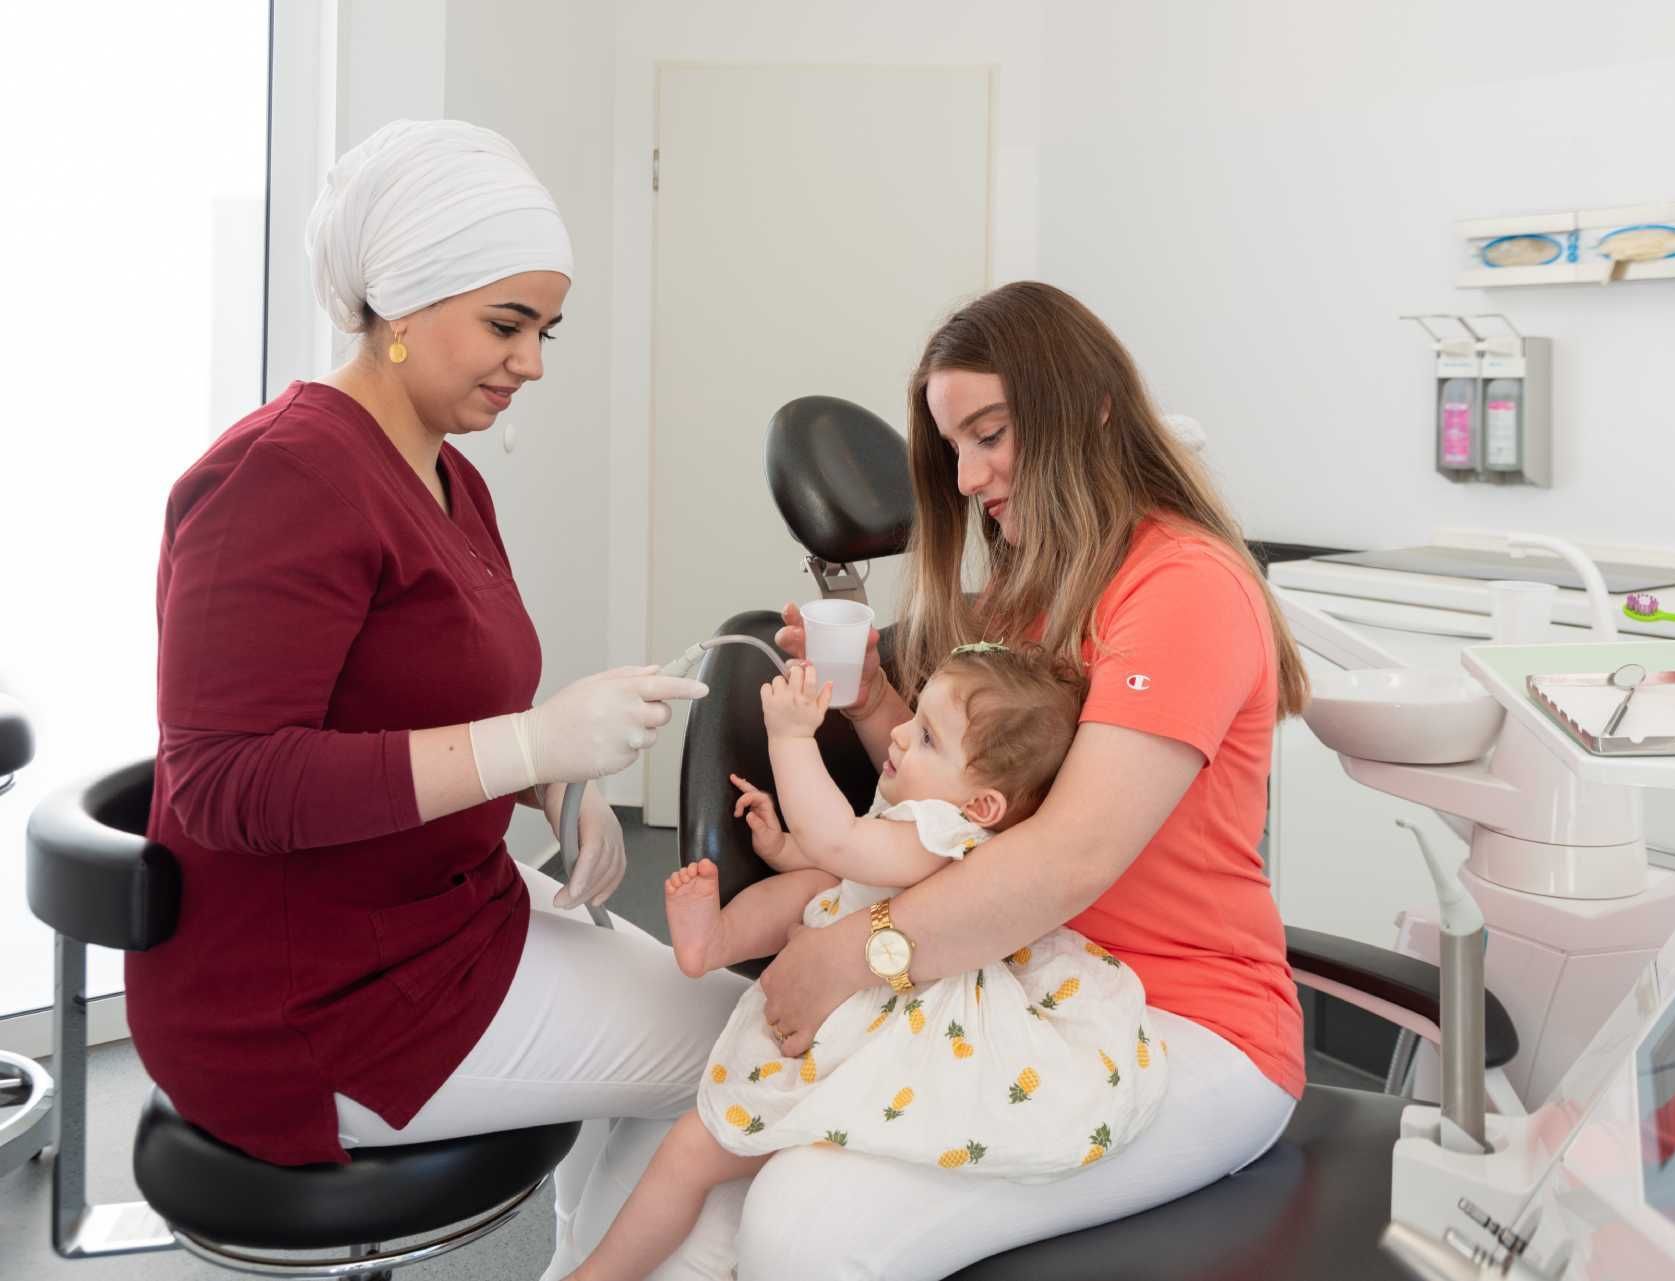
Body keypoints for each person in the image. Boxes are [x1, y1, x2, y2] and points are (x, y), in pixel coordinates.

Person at [557, 280, 1314, 1278]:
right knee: (672, 1163)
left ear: (1088, 409)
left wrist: (848, 955)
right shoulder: (1026, 593)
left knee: (801, 1224)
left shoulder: (1182, 586)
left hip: (1181, 1017)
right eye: (954, 446)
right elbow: (960, 815)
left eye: (989, 435)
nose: (965, 477)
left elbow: (1067, 856)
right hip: (1000, 978)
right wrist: (876, 703)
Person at [128, 118, 747, 1276]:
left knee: (728, 1030)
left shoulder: (448, 471)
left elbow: (411, 699)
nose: (533, 364)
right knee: (747, 1066)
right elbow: (224, 782)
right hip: (306, 1000)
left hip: (435, 920)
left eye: (546, 330)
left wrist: (552, 785)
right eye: (506, 325)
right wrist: (527, 747)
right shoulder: (281, 475)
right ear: (401, 303)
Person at [566, 645, 1164, 1279]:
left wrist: (791, 737)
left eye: (927, 737)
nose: (900, 736)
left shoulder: (944, 834)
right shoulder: (926, 820)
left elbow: (842, 841)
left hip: (872, 1020)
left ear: (982, 807)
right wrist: (786, 847)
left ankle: (599, 1273)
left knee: (692, 1151)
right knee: (812, 883)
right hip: (850, 941)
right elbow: (851, 861)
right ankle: (713, 941)